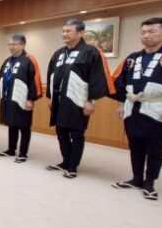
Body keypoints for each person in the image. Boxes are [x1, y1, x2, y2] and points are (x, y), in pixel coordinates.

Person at [111, 17, 162, 200]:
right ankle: (136, 178)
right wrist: (121, 104)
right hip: (132, 107)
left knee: (154, 147)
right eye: (143, 32)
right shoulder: (133, 58)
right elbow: (121, 83)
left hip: (158, 108)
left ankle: (150, 183)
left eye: (151, 31)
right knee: (135, 144)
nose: (146, 35)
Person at [46, 18, 115, 178]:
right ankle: (66, 161)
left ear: (80, 33)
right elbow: (51, 75)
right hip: (60, 100)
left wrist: (91, 101)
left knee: (76, 133)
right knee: (61, 131)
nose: (64, 34)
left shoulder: (91, 52)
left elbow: (97, 77)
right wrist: (50, 96)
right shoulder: (59, 53)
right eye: (63, 31)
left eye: (68, 31)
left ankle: (73, 166)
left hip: (79, 100)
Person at [0, 34, 43, 162]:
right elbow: (1, 78)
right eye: (10, 44)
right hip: (9, 98)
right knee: (12, 124)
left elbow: (35, 80)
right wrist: (1, 94)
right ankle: (11, 149)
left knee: (24, 126)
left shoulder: (29, 60)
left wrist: (31, 99)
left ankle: (23, 153)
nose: (11, 47)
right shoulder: (7, 61)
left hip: (23, 98)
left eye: (14, 44)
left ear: (22, 45)